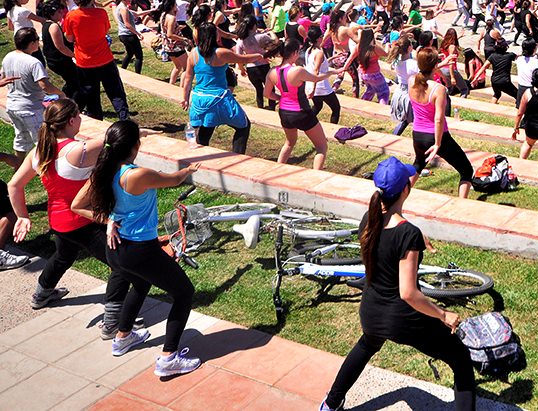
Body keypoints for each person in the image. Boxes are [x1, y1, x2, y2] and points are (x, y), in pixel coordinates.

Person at [319, 157, 474, 411]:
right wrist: (443, 314)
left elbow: (387, 240)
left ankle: (330, 403)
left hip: (371, 312)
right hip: (402, 319)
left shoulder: (368, 221)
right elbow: (408, 293)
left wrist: (414, 232)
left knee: (368, 344)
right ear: (405, 189)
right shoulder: (407, 234)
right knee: (460, 357)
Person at [73, 119, 202, 376]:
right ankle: (169, 358)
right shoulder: (137, 175)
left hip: (116, 250)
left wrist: (108, 220)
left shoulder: (102, 171)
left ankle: (123, 337)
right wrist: (188, 171)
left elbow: (77, 205)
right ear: (135, 146)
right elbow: (173, 179)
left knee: (141, 284)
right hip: (140, 251)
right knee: (184, 292)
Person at [6, 99, 130, 329]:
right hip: (84, 220)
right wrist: (137, 131)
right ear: (71, 120)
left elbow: (14, 185)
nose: (81, 118)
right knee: (122, 264)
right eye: (79, 114)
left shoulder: (39, 151)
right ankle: (113, 321)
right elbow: (114, 138)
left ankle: (41, 294)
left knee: (63, 256)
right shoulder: (80, 151)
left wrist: (23, 216)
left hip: (58, 220)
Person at [264, 39, 343, 171]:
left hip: (284, 112)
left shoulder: (272, 72)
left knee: (289, 143)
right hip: (301, 112)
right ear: (295, 53)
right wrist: (331, 72)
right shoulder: (297, 71)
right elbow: (316, 78)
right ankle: (315, 176)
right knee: (321, 146)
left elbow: (267, 94)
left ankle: (277, 170)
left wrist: (283, 98)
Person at [181, 23, 259, 155]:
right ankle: (237, 157)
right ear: (213, 36)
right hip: (219, 99)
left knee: (206, 126)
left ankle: (199, 156)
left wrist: (185, 98)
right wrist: (260, 55)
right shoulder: (221, 53)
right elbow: (242, 59)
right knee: (243, 126)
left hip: (199, 99)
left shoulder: (193, 53)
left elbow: (188, 78)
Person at [409, 47, 475, 198]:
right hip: (437, 136)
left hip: (418, 134)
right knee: (466, 170)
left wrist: (441, 63)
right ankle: (461, 205)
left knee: (418, 165)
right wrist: (437, 144)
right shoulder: (438, 89)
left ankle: (399, 197)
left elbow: (426, 70)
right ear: (433, 66)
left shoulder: (412, 80)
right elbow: (438, 118)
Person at [63, 0, 130, 121]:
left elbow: (69, 38)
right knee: (115, 91)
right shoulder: (101, 13)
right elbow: (105, 31)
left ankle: (96, 118)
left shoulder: (71, 16)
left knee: (91, 93)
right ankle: (124, 118)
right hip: (105, 59)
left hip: (84, 62)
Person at [2, 28, 64, 163]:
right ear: (31, 43)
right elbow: (44, 85)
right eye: (37, 40)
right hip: (30, 109)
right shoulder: (33, 62)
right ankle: (46, 171)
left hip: (12, 107)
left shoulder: (8, 56)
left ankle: (19, 168)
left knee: (21, 139)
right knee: (42, 142)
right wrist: (61, 93)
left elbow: (2, 77)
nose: (38, 42)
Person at [303, 27, 340, 123]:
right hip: (321, 86)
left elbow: (319, 64)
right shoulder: (319, 53)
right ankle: (332, 129)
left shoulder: (309, 50)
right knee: (336, 108)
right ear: (318, 38)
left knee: (318, 106)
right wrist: (313, 89)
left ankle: (305, 122)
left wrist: (332, 58)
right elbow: (316, 71)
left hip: (311, 83)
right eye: (322, 36)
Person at [114, 0, 146, 74]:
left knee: (130, 53)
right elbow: (127, 24)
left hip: (123, 35)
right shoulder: (123, 8)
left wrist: (152, 10)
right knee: (139, 56)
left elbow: (137, 14)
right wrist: (138, 33)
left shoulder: (122, 7)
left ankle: (122, 70)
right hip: (129, 35)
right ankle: (137, 75)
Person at [514, 38, 538, 105]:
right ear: (534, 49)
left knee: (520, 110)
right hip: (532, 90)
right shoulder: (537, 63)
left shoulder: (519, 60)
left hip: (521, 88)